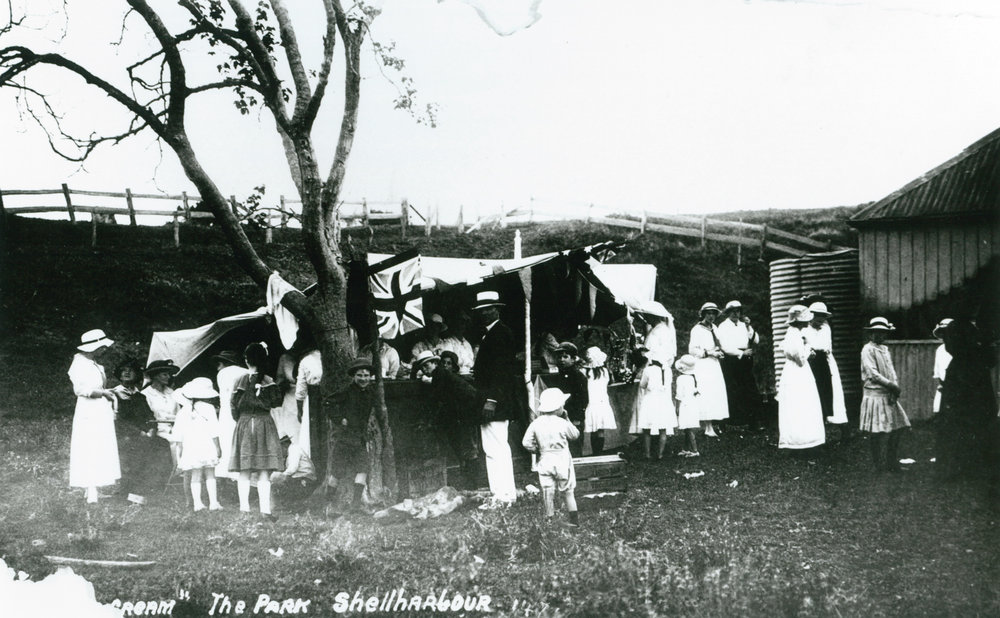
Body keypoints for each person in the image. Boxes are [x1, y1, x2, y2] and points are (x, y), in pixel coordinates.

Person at [470, 290, 524, 506]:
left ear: (497, 310)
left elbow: (502, 372)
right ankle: (503, 494)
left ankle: (502, 496)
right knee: (496, 447)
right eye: (481, 310)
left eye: (489, 309)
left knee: (496, 448)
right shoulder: (492, 334)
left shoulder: (500, 334)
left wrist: (491, 400)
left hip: (496, 401)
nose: (485, 313)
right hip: (493, 399)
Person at [935, 318, 997, 480]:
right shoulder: (966, 356)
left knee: (970, 432)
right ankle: (961, 468)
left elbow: (989, 361)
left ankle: (966, 468)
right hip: (965, 400)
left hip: (970, 401)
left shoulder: (970, 357)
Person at [230, 342, 284, 519]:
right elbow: (277, 401)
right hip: (263, 423)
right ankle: (265, 511)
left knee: (244, 469)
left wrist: (243, 419)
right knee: (263, 469)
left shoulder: (239, 380)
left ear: (246, 360)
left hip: (244, 423)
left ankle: (244, 510)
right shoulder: (268, 380)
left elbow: (233, 406)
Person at [68, 329, 121, 504]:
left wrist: (107, 392)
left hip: (99, 409)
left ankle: (96, 487)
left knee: (100, 446)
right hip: (89, 410)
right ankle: (91, 491)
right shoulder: (79, 363)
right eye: (102, 346)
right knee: (90, 446)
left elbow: (97, 387)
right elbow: (80, 390)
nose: (104, 350)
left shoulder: (95, 363)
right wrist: (103, 393)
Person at [414, 350, 480, 489]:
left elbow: (436, 398)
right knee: (464, 448)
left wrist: (429, 420)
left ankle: (472, 484)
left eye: (427, 365)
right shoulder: (440, 375)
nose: (425, 369)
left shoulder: (441, 375)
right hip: (460, 414)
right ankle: (469, 483)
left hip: (465, 413)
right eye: (422, 367)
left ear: (435, 363)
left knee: (468, 448)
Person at [112, 360, 170, 504]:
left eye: (130, 370)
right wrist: (139, 433)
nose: (126, 372)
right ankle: (131, 493)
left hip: (144, 434)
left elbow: (149, 417)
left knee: (162, 445)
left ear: (137, 374)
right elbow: (118, 420)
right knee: (135, 449)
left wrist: (151, 429)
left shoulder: (140, 396)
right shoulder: (114, 394)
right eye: (123, 370)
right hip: (123, 434)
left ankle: (152, 490)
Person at [521, 388, 580, 527]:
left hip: (545, 459)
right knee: (568, 491)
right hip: (562, 459)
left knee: (548, 491)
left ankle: (550, 520)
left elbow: (526, 442)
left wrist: (536, 450)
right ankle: (574, 520)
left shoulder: (535, 423)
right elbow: (575, 435)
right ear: (559, 407)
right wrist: (567, 418)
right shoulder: (562, 422)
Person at [325, 358, 378, 512]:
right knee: (337, 472)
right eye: (360, 375)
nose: (363, 379)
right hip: (344, 438)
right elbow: (328, 402)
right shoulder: (347, 391)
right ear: (354, 376)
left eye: (366, 375)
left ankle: (355, 505)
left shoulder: (370, 392)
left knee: (363, 469)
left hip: (360, 438)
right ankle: (328, 505)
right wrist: (339, 418)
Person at [859, 317, 910, 473]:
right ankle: (878, 465)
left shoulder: (885, 349)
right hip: (875, 394)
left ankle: (891, 462)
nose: (880, 336)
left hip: (888, 394)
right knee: (878, 430)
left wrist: (894, 386)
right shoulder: (867, 349)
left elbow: (890, 370)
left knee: (898, 427)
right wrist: (890, 385)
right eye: (876, 333)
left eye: (883, 333)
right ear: (870, 334)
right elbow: (873, 373)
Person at [777, 305, 825, 451]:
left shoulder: (794, 333)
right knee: (800, 403)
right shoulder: (795, 335)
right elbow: (800, 359)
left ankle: (806, 440)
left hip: (796, 371)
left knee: (802, 402)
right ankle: (801, 441)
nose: (807, 323)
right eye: (805, 320)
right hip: (797, 371)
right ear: (799, 321)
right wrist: (808, 349)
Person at [173, 378, 223, 511]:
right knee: (210, 474)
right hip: (207, 445)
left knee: (195, 475)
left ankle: (197, 503)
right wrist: (218, 447)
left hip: (191, 447)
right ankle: (213, 502)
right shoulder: (209, 408)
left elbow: (178, 435)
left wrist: (180, 453)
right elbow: (214, 430)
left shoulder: (183, 411)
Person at [804, 301, 849, 439]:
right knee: (813, 395)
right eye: (817, 315)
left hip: (825, 362)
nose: (820, 319)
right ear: (811, 315)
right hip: (810, 362)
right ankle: (816, 432)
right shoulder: (804, 329)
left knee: (833, 393)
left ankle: (843, 428)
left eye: (823, 316)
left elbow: (828, 347)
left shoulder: (826, 328)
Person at [716, 300, 762, 429]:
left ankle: (753, 422)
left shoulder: (744, 325)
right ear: (728, 313)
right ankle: (731, 423)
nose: (735, 314)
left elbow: (756, 340)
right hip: (732, 360)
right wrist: (741, 353)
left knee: (750, 389)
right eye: (732, 311)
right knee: (733, 390)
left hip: (746, 359)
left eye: (738, 311)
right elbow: (725, 347)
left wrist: (748, 326)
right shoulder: (723, 326)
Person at [688, 302, 729, 437]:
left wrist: (719, 351)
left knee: (715, 393)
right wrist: (709, 353)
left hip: (714, 365)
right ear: (703, 314)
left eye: (713, 313)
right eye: (708, 313)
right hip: (703, 365)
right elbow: (692, 350)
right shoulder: (697, 329)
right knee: (706, 392)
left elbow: (719, 344)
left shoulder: (715, 328)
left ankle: (714, 424)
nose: (711, 316)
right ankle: (708, 427)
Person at [633, 347, 676, 460]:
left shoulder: (648, 370)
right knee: (663, 429)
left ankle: (647, 454)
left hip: (651, 400)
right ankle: (660, 454)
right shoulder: (668, 370)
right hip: (664, 400)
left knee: (647, 428)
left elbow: (642, 385)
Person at [212, 351, 248, 480]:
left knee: (228, 442)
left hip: (227, 411)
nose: (217, 368)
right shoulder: (245, 372)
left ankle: (230, 474)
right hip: (244, 410)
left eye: (218, 364)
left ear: (223, 363)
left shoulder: (222, 374)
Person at [141, 359, 181, 463]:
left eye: (169, 374)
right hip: (159, 433)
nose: (168, 377)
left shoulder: (172, 393)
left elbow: (179, 413)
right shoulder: (145, 394)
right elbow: (147, 417)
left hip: (176, 431)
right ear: (155, 376)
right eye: (164, 374)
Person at [553, 342, 588, 457]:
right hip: (560, 416)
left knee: (574, 446)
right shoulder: (559, 376)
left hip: (573, 417)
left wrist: (577, 418)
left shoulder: (578, 376)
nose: (562, 360)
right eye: (559, 357)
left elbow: (583, 399)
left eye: (565, 357)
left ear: (573, 359)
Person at [582, 346, 618, 456]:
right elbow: (609, 383)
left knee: (593, 429)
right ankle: (599, 452)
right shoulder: (605, 372)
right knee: (600, 430)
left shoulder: (584, 372)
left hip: (592, 403)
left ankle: (594, 452)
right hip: (602, 403)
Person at [674, 355, 701, 457]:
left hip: (685, 404)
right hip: (693, 403)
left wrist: (677, 407)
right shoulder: (693, 377)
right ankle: (686, 448)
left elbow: (679, 395)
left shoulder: (681, 379)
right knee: (687, 427)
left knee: (688, 428)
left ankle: (695, 450)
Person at [931, 318, 954, 416]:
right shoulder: (940, 350)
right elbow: (938, 372)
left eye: (949, 333)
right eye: (943, 333)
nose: (946, 336)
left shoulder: (961, 349)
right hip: (945, 387)